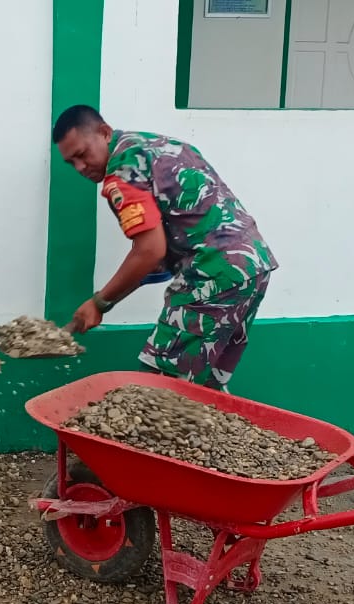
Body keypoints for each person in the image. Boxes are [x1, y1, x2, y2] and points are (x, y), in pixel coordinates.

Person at [51, 105, 278, 392]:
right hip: (252, 266)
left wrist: (100, 303)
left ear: (104, 133)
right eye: (71, 163)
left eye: (82, 155)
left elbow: (149, 250)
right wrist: (146, 270)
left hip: (212, 274)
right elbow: (166, 242)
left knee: (157, 390)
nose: (80, 168)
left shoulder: (123, 172)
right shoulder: (156, 145)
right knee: (203, 387)